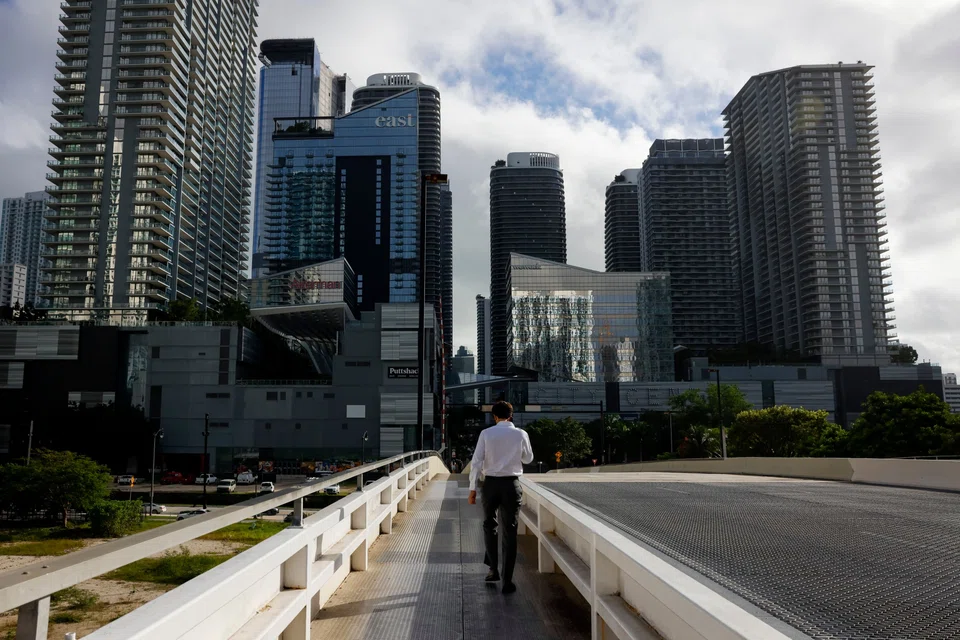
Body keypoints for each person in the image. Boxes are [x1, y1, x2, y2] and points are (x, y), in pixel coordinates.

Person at [468, 400, 534, 594]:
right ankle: (507, 580)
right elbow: (528, 458)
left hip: (490, 485)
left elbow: (476, 462)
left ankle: (492, 570)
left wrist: (472, 488)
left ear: (494, 416)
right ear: (511, 415)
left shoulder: (486, 434)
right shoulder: (521, 434)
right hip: (511, 485)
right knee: (510, 531)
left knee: (489, 525)